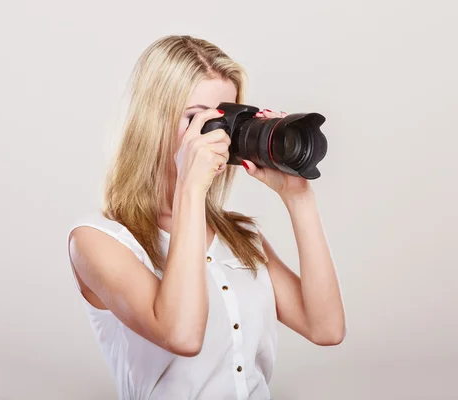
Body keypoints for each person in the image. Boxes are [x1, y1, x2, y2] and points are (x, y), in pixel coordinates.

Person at [67, 35, 345, 400]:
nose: (215, 134)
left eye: (224, 118)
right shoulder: (97, 240)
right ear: (151, 121)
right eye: (195, 117)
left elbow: (326, 328)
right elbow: (182, 335)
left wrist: (299, 198)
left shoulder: (240, 235)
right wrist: (190, 190)